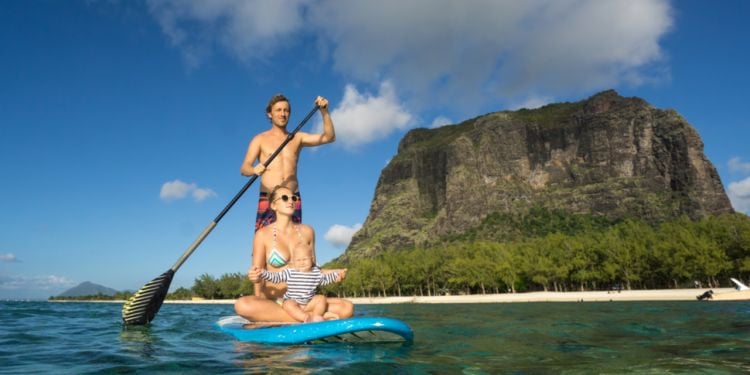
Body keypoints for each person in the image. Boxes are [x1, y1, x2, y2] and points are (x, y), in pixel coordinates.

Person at [234, 184, 354, 322]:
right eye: (285, 198)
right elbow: (258, 273)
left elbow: (314, 269)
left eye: (294, 198)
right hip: (277, 302)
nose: (291, 201)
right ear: (273, 205)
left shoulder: (308, 231)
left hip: (306, 302)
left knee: (347, 307)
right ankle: (313, 318)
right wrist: (257, 292)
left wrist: (335, 273)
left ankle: (296, 318)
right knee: (242, 305)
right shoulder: (262, 234)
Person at [240, 94, 335, 231]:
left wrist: (324, 111)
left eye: (286, 110)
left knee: (293, 243)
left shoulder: (297, 138)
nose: (283, 114)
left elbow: (329, 137)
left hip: (292, 197)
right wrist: (253, 170)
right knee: (264, 243)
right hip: (269, 197)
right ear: (270, 114)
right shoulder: (259, 139)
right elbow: (244, 168)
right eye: (278, 110)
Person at [248, 245, 348, 323]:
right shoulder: (290, 272)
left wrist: (337, 276)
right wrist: (262, 273)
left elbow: (326, 279)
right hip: (294, 302)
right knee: (287, 304)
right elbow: (276, 278)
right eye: (298, 260)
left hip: (309, 303)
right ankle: (306, 318)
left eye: (305, 259)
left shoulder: (316, 272)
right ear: (294, 262)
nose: (301, 262)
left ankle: (316, 317)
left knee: (321, 299)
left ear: (312, 259)